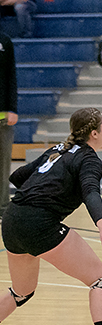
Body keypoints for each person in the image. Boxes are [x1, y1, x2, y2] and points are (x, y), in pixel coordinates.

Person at [0, 107, 102, 325]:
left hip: (12, 219)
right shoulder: (89, 159)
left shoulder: (58, 149)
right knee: (101, 281)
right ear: (94, 133)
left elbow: (17, 176)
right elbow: (90, 191)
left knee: (21, 291)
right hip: (39, 224)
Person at [0, 31, 17, 220]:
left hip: (3, 117)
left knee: (3, 167)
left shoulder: (5, 40)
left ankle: (3, 208)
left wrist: (12, 108)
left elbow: (11, 75)